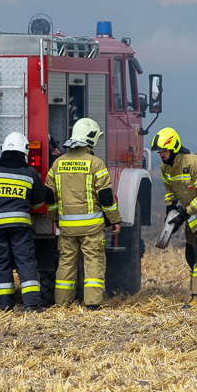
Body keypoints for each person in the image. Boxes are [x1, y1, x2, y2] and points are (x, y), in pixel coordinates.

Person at [47, 118, 119, 309]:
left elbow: (49, 196)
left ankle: (62, 304)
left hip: (67, 228)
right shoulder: (96, 164)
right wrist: (114, 220)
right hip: (92, 228)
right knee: (93, 262)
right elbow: (106, 196)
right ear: (91, 139)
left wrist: (56, 219)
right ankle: (93, 304)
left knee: (66, 264)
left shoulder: (58, 163)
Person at [0, 131, 51, 310]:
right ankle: (32, 304)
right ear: (24, 151)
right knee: (25, 262)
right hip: (20, 226)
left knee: (2, 263)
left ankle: (5, 306)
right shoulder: (30, 173)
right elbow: (38, 201)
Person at [151, 126, 197, 304]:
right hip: (192, 216)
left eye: (164, 150)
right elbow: (170, 191)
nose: (161, 154)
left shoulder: (194, 162)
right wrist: (170, 209)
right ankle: (195, 293)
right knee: (191, 255)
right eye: (159, 151)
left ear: (174, 148)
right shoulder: (165, 167)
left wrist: (184, 214)